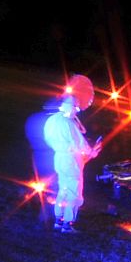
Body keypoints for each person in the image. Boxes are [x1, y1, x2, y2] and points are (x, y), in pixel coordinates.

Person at [41, 75, 104, 232]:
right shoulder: (68, 123)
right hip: (70, 161)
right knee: (74, 191)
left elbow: (48, 138)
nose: (77, 110)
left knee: (63, 188)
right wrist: (92, 151)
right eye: (76, 107)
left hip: (59, 159)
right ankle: (68, 225)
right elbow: (80, 143)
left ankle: (58, 219)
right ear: (71, 106)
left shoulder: (53, 120)